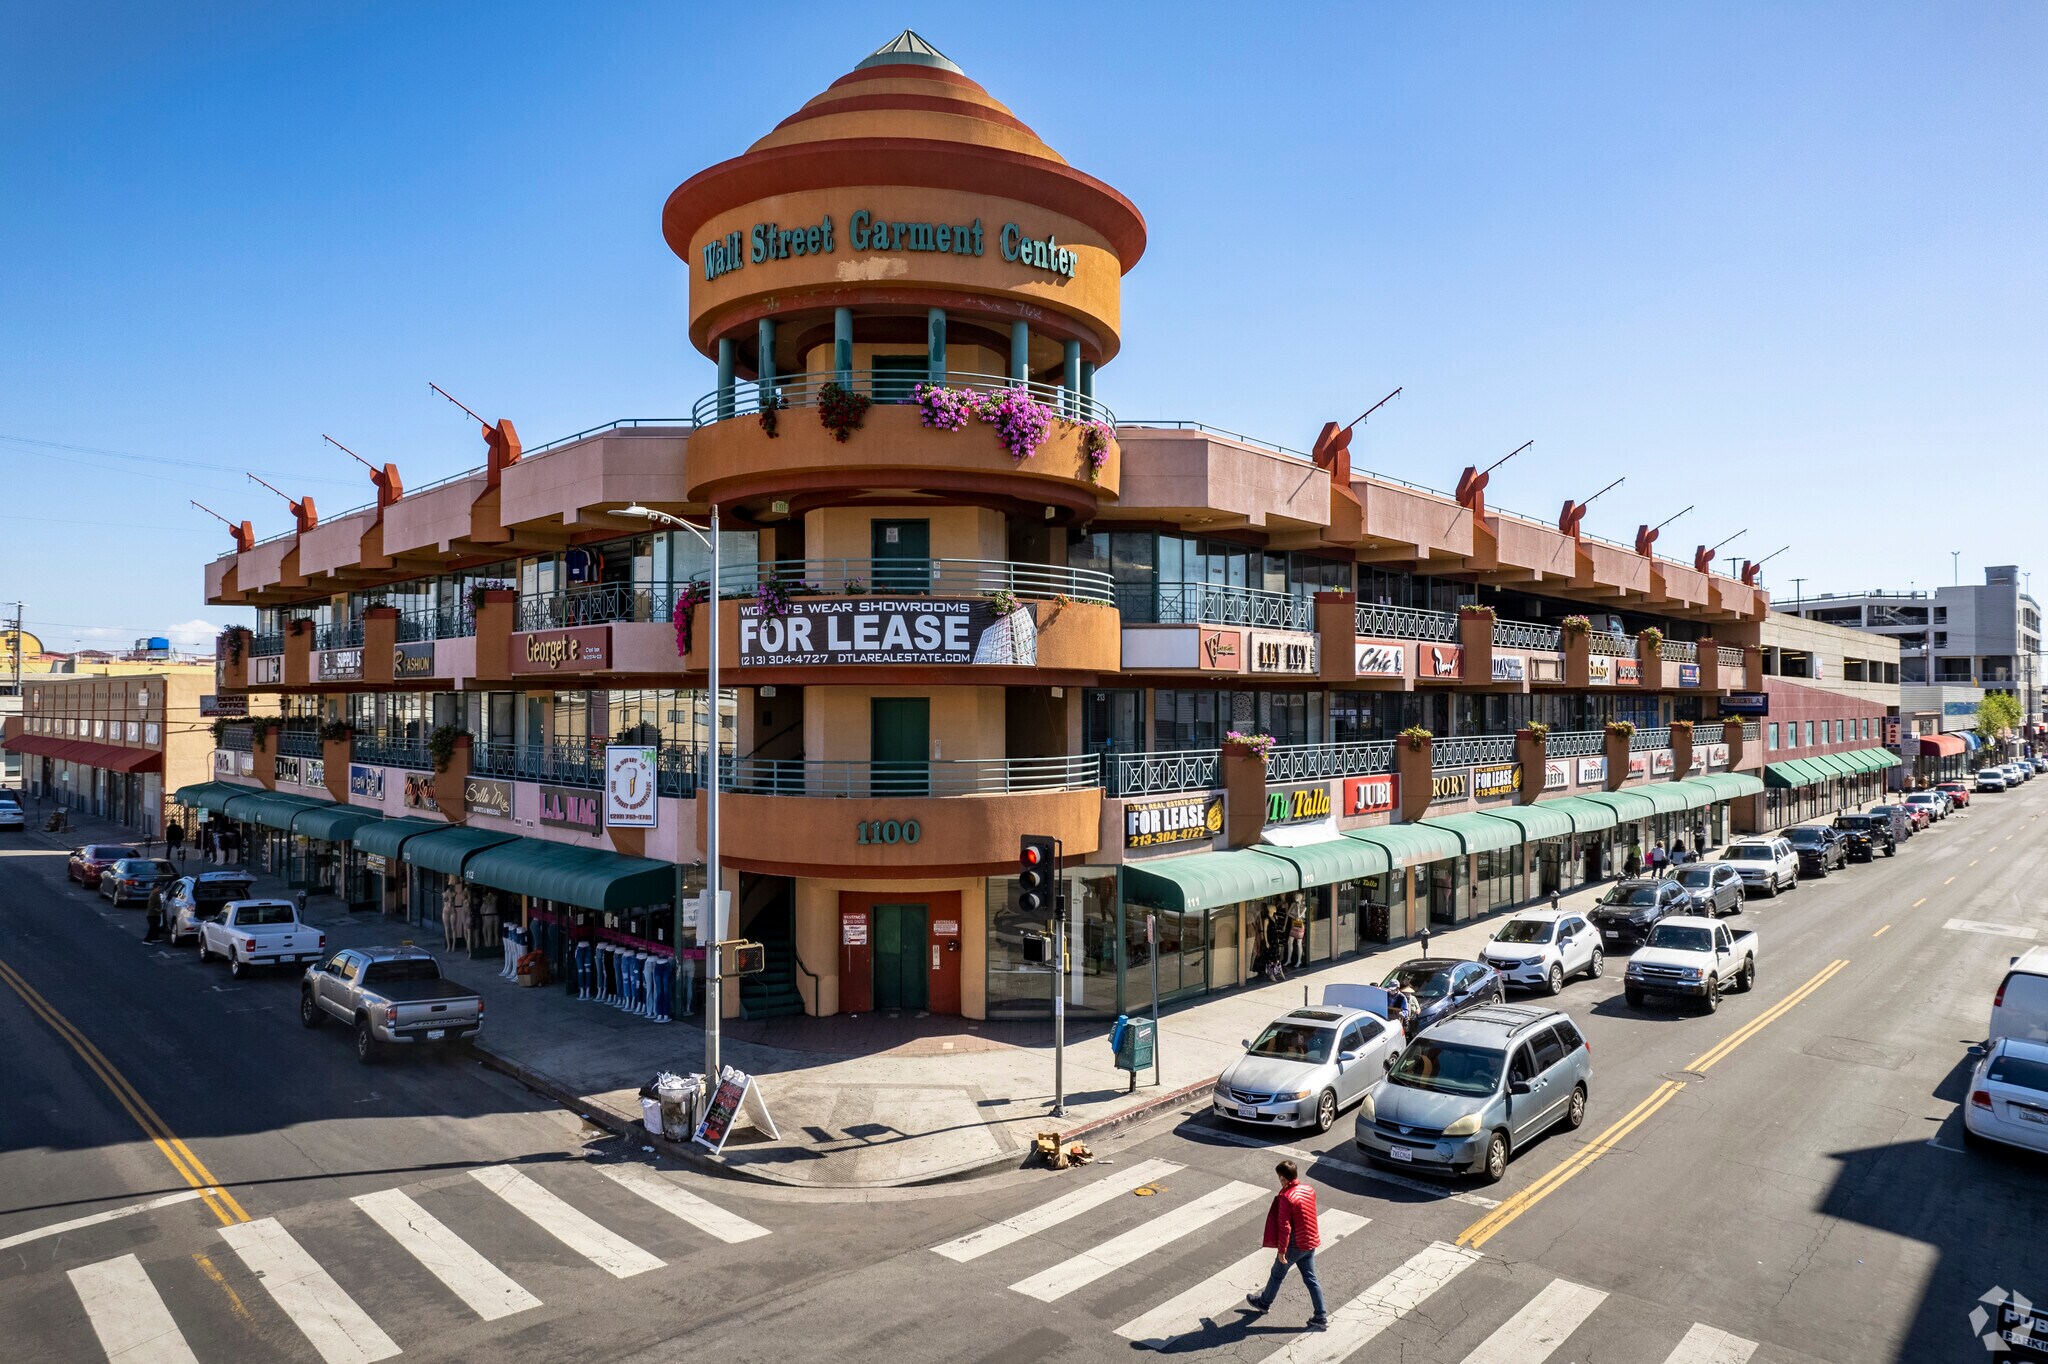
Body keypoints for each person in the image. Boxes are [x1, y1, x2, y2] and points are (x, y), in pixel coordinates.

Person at [1245, 1159, 1327, 1330]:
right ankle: (1320, 1316)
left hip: (1294, 1246)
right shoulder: (1309, 1190)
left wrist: (1282, 1251)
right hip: (1310, 1243)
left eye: (1279, 1177)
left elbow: (1285, 1227)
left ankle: (1264, 1302)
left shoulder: (1286, 1197)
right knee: (1311, 1279)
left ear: (1283, 1178)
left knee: (1277, 1274)